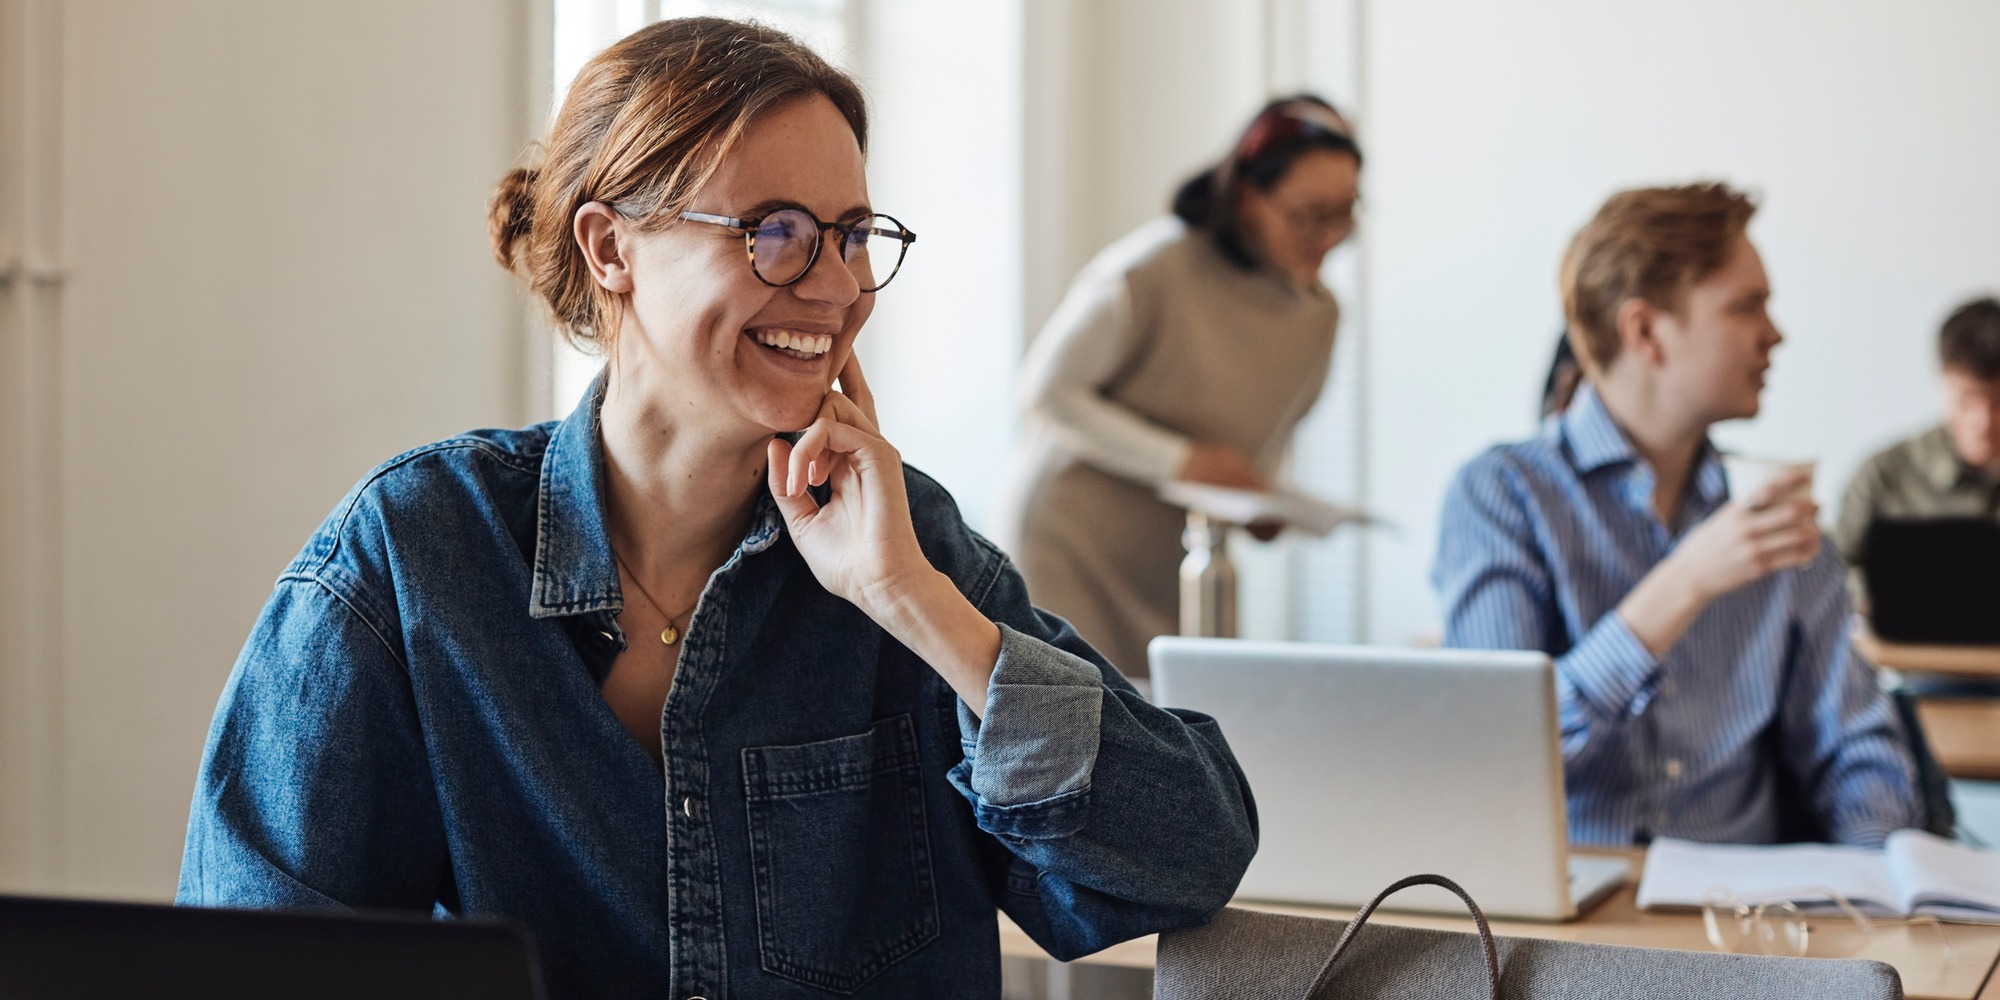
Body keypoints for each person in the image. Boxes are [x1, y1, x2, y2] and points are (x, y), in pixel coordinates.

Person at [175, 19, 1257, 1000]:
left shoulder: (906, 546)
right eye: (772, 231)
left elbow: (1181, 859)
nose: (834, 286)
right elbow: (259, 953)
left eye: (850, 233)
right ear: (611, 249)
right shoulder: (416, 555)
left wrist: (913, 604)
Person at [1433, 183, 1921, 846]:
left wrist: (1876, 885)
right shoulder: (1502, 494)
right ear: (1644, 332)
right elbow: (1488, 755)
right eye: (1747, 306)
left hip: (1748, 917)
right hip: (1564, 919)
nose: (1775, 333)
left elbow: (1857, 752)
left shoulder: (1772, 511)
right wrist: (1684, 583)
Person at [995, 96, 1360, 676]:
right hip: (1071, 547)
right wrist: (1182, 461)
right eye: (1308, 214)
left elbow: (1256, 443)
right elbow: (1046, 393)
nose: (1330, 235)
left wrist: (1260, 499)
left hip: (1182, 561)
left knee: (1171, 738)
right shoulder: (1152, 269)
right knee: (1072, 734)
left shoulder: (1321, 318)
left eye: (1344, 213)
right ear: (1246, 197)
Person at [1835, 296, 2000, 585]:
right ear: (1943, 383)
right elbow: (1834, 576)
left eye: (1998, 403)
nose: (1982, 422)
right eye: (1965, 400)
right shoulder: (1885, 475)